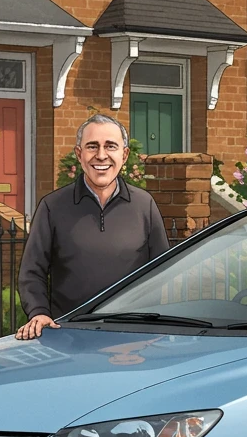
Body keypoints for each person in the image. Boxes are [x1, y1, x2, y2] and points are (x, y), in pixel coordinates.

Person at [14, 114, 169, 339]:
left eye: (111, 146)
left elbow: (162, 271)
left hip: (132, 338)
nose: (101, 155)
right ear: (79, 154)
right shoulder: (52, 207)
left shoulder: (144, 205)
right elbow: (32, 271)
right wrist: (38, 312)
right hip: (69, 335)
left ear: (124, 155)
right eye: (92, 146)